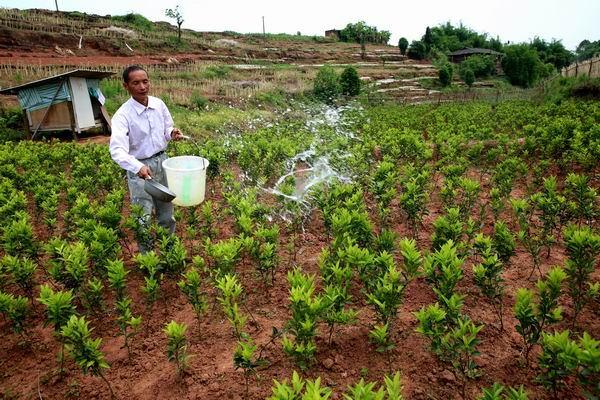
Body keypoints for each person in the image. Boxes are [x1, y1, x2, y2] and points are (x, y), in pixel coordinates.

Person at [109, 65, 184, 252]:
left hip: (162, 162)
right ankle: (148, 258)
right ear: (126, 86)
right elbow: (117, 150)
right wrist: (137, 167)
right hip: (140, 170)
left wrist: (171, 133)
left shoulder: (158, 104)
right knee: (142, 217)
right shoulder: (123, 115)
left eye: (145, 81)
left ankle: (169, 252)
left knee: (166, 214)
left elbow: (166, 128)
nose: (142, 86)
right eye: (136, 83)